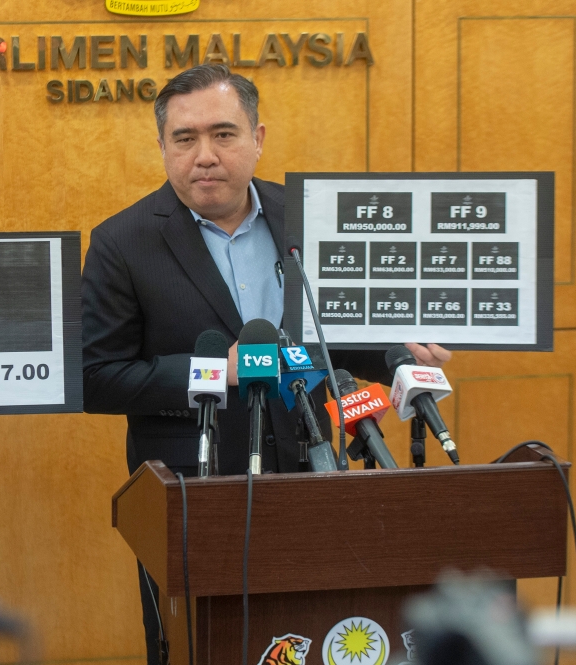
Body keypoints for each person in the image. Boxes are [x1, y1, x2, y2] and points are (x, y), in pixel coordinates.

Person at [81, 64, 451, 664]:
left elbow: (336, 336)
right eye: (185, 138)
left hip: (313, 474)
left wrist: (397, 352)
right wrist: (215, 372)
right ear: (162, 147)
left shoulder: (308, 220)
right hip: (192, 495)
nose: (205, 155)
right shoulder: (122, 243)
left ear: (258, 138)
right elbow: (96, 378)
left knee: (313, 637)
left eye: (224, 134)